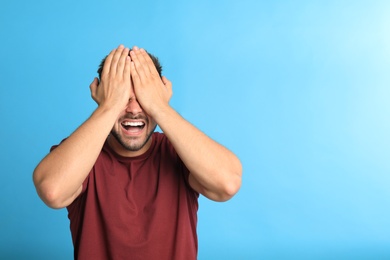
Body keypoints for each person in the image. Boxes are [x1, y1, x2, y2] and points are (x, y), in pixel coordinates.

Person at [33, 44, 242, 260]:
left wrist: (160, 107)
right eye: (123, 97)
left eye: (143, 97)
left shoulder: (179, 152)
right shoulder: (83, 154)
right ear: (102, 96)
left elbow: (227, 184)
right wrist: (109, 107)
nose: (133, 110)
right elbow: (52, 191)